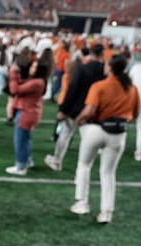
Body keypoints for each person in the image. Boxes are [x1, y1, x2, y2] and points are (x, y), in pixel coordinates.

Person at [71, 54, 140, 224]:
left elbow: (89, 111)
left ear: (110, 67)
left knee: (84, 165)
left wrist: (78, 120)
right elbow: (135, 113)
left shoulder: (100, 86)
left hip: (96, 129)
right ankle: (106, 212)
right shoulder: (132, 88)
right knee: (108, 173)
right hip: (118, 134)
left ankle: (82, 203)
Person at [44, 44, 105, 172]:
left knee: (65, 135)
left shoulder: (83, 69)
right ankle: (85, 165)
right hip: (93, 110)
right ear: (102, 54)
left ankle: (57, 160)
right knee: (89, 139)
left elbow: (72, 90)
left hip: (75, 109)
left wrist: (63, 109)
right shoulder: (105, 71)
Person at [5, 59, 49, 176]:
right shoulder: (38, 81)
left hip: (26, 113)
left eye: (34, 67)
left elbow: (15, 90)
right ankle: (27, 160)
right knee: (26, 140)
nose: (31, 69)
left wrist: (13, 74)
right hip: (29, 112)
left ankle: (21, 166)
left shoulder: (37, 82)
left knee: (20, 141)